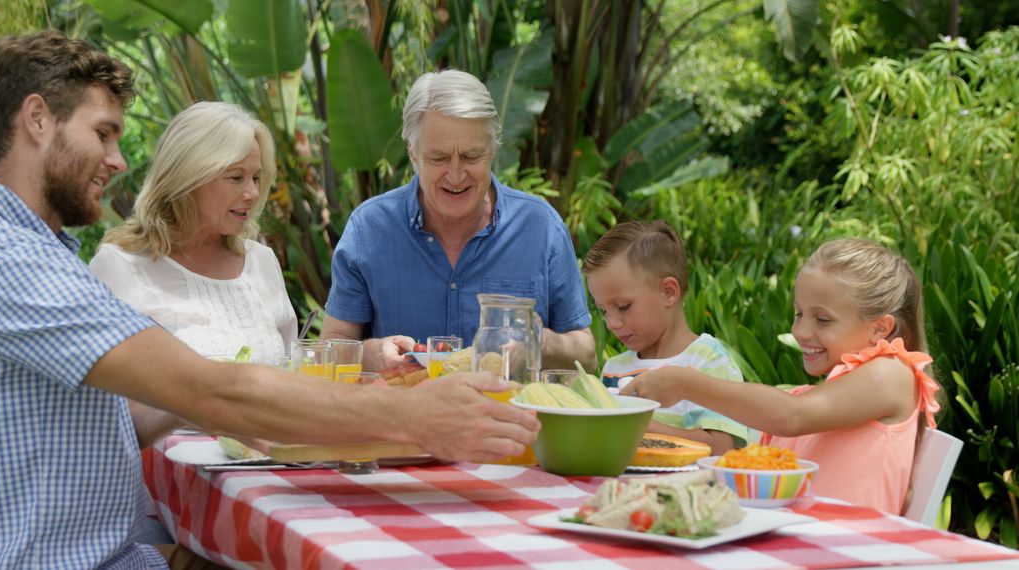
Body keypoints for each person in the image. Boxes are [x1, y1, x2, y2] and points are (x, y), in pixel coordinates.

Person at [0, 30, 539, 569]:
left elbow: (127, 415)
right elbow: (210, 389)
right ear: (37, 120)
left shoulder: (12, 249)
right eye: (103, 133)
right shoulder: (7, 264)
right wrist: (415, 416)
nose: (119, 161)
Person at [622, 238, 942, 515]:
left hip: (846, 550)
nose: (801, 331)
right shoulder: (825, 394)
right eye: (799, 313)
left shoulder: (892, 374)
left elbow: (789, 416)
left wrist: (684, 382)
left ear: (879, 329)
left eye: (823, 320)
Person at [321, 69, 596, 372]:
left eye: (471, 156)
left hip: (509, 415)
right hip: (402, 415)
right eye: (438, 158)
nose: (455, 175)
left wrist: (538, 342)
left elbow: (586, 354)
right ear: (413, 153)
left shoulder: (540, 227)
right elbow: (331, 346)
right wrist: (370, 354)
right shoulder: (369, 229)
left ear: (493, 149)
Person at [90, 101, 297, 363]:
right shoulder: (119, 266)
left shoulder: (261, 262)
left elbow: (292, 371)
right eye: (236, 177)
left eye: (255, 178)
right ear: (188, 179)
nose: (253, 193)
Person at [583, 220, 748, 455]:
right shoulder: (614, 368)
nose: (612, 323)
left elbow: (723, 447)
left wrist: (644, 428)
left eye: (623, 306)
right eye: (604, 310)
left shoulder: (708, 361)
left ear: (668, 292)